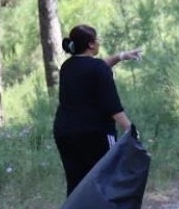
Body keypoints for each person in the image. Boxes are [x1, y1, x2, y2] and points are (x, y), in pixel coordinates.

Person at [52, 24, 142, 196]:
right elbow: (113, 106)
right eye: (97, 40)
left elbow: (95, 67)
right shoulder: (98, 69)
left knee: (76, 183)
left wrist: (121, 56)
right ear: (91, 44)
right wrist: (131, 130)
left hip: (65, 133)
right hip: (95, 135)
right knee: (107, 179)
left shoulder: (67, 67)